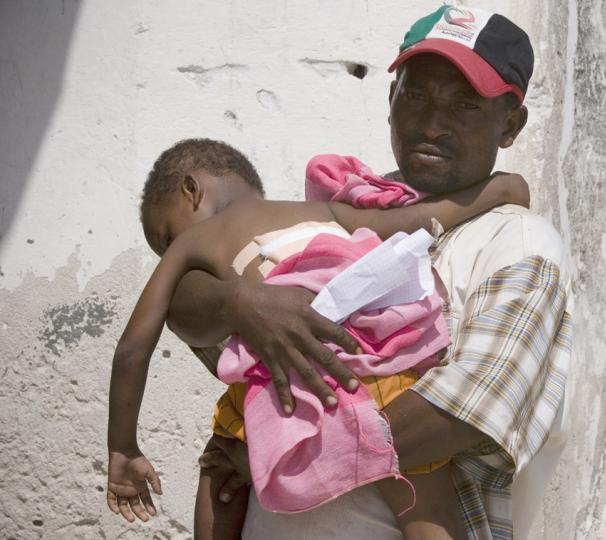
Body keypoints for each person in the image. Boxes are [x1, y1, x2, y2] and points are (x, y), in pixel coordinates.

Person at [115, 5, 572, 539]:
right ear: (390, 101)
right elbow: (195, 318)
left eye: (464, 105)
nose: (431, 123)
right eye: (417, 95)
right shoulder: (345, 214)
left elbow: (460, 415)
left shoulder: (516, 246)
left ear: (510, 124)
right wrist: (239, 303)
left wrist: (270, 450)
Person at [105, 138, 529, 539]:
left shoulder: (194, 241)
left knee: (219, 463)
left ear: (191, 190)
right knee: (428, 508)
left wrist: (122, 448)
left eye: (165, 236)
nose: (169, 251)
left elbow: (133, 347)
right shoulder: (326, 212)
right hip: (375, 363)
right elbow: (414, 222)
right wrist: (498, 190)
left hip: (288, 383)